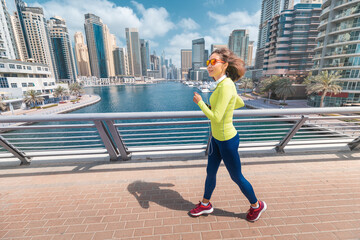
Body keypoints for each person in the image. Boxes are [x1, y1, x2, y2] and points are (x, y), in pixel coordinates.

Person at [190, 48, 266, 222]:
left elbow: (216, 117)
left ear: (224, 65)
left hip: (227, 140)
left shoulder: (226, 86)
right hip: (217, 139)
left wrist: (201, 103)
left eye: (213, 61)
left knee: (236, 176)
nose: (209, 65)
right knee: (210, 171)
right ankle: (205, 204)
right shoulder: (223, 85)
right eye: (208, 62)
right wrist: (226, 105)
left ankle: (257, 205)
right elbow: (238, 102)